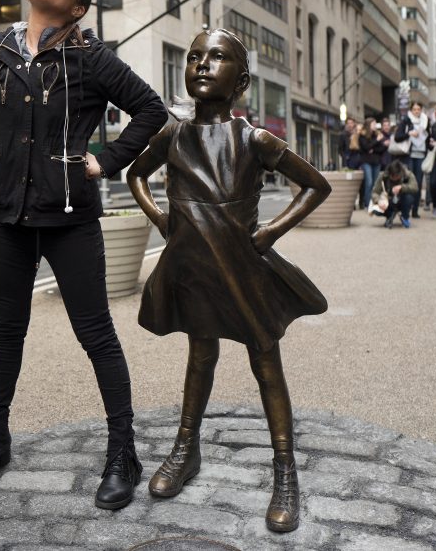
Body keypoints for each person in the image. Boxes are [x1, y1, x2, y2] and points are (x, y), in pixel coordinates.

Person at [0, 0, 168, 509]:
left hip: (70, 220)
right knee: (5, 332)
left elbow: (150, 109)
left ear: (79, 5)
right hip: (8, 221)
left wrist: (103, 162)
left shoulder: (90, 59)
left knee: (96, 335)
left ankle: (123, 454)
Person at [126, 29, 331, 533]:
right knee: (200, 354)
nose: (200, 64)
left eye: (215, 58)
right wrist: (161, 219)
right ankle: (185, 447)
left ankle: (285, 469)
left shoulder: (253, 138)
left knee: (265, 360)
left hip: (243, 267)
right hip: (192, 266)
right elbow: (136, 175)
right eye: (195, 57)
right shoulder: (173, 134)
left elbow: (316, 185)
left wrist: (270, 233)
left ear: (239, 80)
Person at [401, 102, 429, 218]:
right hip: (410, 155)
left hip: (421, 155)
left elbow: (429, 135)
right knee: (408, 182)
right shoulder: (406, 120)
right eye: (414, 109)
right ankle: (406, 208)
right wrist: (409, 133)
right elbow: (398, 136)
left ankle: (415, 210)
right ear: (411, 110)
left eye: (418, 109)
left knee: (417, 183)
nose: (416, 111)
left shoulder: (426, 121)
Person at [371, 160, 418, 228]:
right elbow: (375, 192)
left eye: (397, 176)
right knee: (375, 210)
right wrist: (379, 201)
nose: (395, 178)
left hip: (402, 199)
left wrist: (402, 187)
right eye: (393, 176)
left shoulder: (407, 174)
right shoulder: (383, 176)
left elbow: (415, 187)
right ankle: (390, 216)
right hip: (388, 201)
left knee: (409, 197)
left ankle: (405, 217)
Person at [358, 117, 386, 211]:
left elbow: (382, 149)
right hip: (366, 162)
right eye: (373, 124)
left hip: (376, 162)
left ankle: (374, 202)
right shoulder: (362, 135)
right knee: (369, 182)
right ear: (368, 125)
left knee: (375, 184)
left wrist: (373, 149)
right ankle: (367, 203)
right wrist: (376, 142)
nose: (375, 126)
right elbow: (366, 147)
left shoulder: (377, 134)